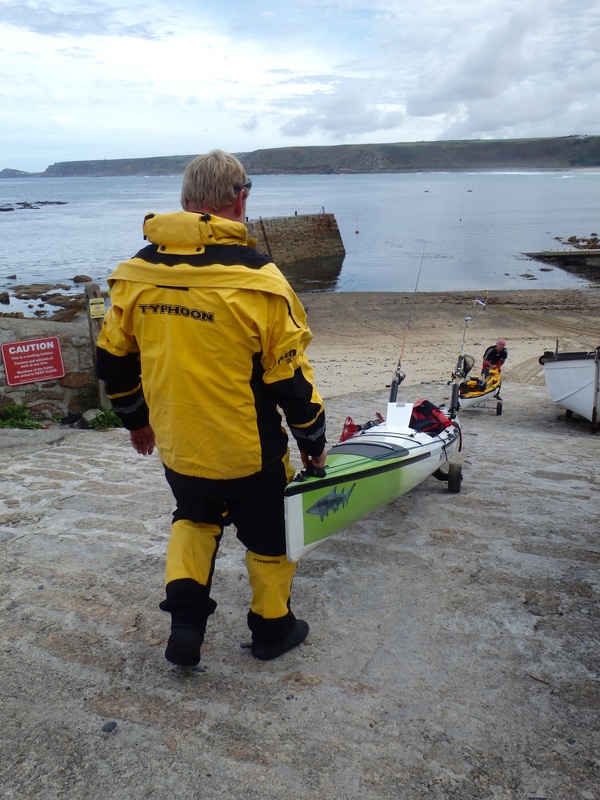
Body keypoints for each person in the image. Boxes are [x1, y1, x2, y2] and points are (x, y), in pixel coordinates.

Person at [96, 149, 327, 668]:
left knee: (194, 521)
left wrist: (136, 421)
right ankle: (272, 629)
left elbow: (112, 360)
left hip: (180, 445)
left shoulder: (134, 274)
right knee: (269, 538)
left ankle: (186, 625)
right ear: (240, 199)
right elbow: (290, 378)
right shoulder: (261, 280)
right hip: (250, 451)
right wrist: (312, 442)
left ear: (185, 202)